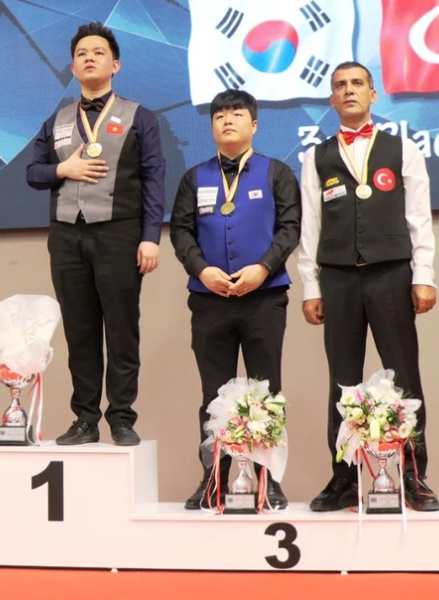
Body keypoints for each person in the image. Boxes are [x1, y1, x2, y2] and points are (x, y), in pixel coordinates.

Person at [298, 61, 439, 511]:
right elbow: (310, 226)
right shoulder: (315, 157)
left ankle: (414, 475)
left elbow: (419, 218)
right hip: (337, 278)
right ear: (332, 99)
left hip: (391, 274)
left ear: (373, 95)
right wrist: (310, 286)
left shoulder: (403, 149)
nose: (349, 90)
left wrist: (423, 276)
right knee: (342, 381)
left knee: (405, 376)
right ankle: (344, 478)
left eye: (357, 83)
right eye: (340, 85)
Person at [26, 22, 166, 446]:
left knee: (121, 329)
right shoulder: (57, 120)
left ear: (115, 65)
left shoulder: (139, 116)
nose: (89, 58)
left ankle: (121, 417)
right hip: (67, 236)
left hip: (119, 234)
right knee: (79, 330)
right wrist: (62, 169)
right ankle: (85, 419)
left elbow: (154, 178)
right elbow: (32, 173)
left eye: (98, 52)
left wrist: (150, 236)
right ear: (72, 67)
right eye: (82, 53)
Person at [170, 90, 301, 509]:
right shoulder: (194, 177)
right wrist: (201, 270)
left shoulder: (277, 172)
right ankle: (213, 479)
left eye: (237, 114)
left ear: (254, 124)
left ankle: (268, 479)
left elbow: (290, 228)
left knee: (267, 391)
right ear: (211, 126)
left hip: (265, 298)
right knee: (213, 395)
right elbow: (181, 232)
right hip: (209, 300)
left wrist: (263, 267)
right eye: (220, 116)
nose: (228, 120)